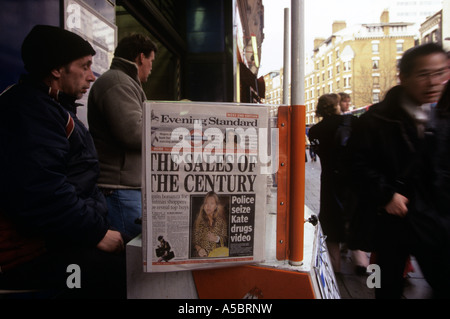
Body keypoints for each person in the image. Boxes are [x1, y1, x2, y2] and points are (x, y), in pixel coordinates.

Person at [0, 25, 126, 298]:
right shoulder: (31, 111)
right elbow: (43, 192)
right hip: (34, 254)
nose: (92, 77)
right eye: (84, 66)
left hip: (62, 238)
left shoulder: (52, 108)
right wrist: (96, 233)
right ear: (57, 69)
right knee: (121, 274)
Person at [348, 43, 450, 299]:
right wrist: (386, 196)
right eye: (424, 74)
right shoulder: (375, 120)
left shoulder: (443, 116)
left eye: (441, 72)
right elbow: (354, 164)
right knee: (384, 285)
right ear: (403, 77)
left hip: (435, 221)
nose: (434, 82)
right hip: (389, 223)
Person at [88, 34, 157, 240]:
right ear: (141, 57)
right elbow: (133, 133)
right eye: (151, 61)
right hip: (120, 189)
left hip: (126, 187)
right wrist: (167, 128)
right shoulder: (118, 82)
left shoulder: (124, 82)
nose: (152, 68)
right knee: (129, 254)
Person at [308, 93, 357, 273]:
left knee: (330, 221)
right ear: (336, 106)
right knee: (352, 217)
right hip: (352, 180)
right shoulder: (350, 122)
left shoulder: (314, 131)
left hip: (329, 180)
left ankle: (334, 270)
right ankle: (361, 262)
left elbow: (318, 151)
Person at [192, 192, 228, 258]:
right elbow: (194, 241)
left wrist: (217, 239)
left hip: (217, 257)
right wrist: (199, 249)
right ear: (203, 206)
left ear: (216, 206)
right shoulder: (198, 221)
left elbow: (225, 238)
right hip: (201, 257)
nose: (208, 206)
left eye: (211, 203)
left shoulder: (222, 221)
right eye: (206, 203)